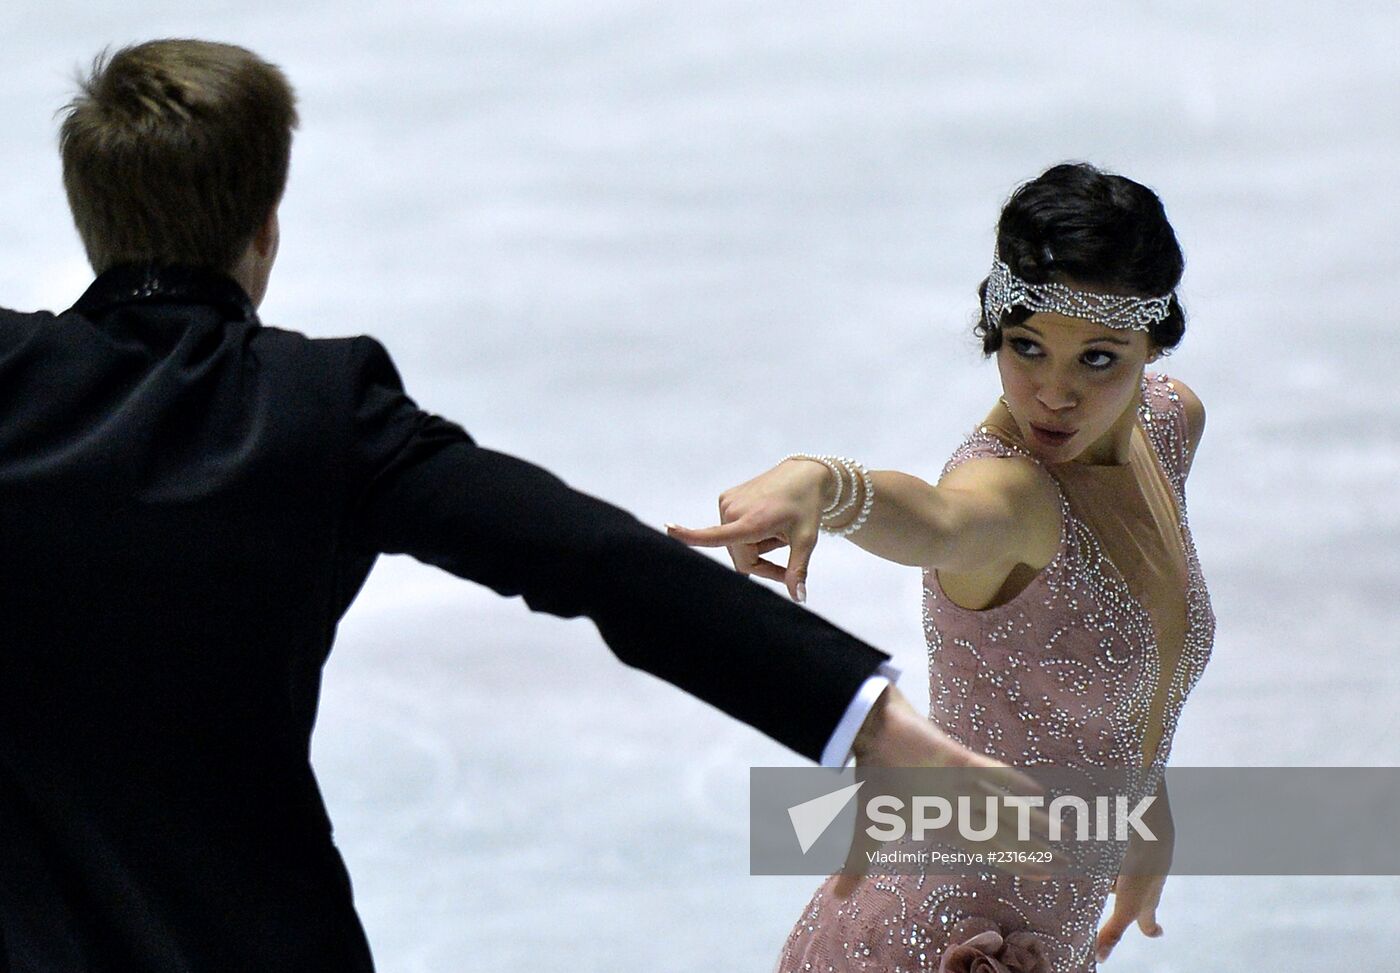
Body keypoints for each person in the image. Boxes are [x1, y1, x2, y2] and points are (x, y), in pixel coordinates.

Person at [0, 40, 1027, 972]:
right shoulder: (316, 409)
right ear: (265, 229)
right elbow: (587, 557)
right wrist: (868, 727)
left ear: (90, 212)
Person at [669, 163, 1217, 972]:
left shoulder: (1168, 424)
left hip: (1052, 929)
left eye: (1098, 359)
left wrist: (1142, 813)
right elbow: (933, 519)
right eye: (1026, 347)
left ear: (1153, 342)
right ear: (994, 328)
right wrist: (825, 483)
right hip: (929, 938)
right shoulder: (1011, 495)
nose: (1053, 394)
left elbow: (1129, 687)